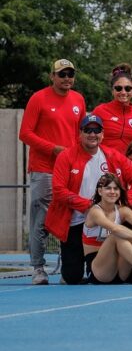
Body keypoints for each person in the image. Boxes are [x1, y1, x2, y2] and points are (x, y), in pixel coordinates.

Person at [45, 114, 132, 285]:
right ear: (80, 133)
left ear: (103, 134)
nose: (93, 134)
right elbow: (58, 190)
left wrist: (121, 202)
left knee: (115, 261)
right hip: (75, 222)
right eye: (88, 130)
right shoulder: (66, 156)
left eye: (97, 130)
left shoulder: (112, 155)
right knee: (72, 278)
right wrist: (91, 206)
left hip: (106, 222)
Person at [20, 58, 87, 284]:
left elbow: (82, 134)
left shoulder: (78, 99)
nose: (66, 78)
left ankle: (68, 267)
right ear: (52, 76)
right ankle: (38, 268)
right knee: (42, 219)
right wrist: (54, 149)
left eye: (70, 74)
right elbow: (25, 134)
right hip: (44, 169)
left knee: (70, 219)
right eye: (62, 74)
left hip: (71, 170)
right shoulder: (38, 98)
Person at [92, 64, 132, 155]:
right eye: (118, 88)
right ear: (112, 91)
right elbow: (88, 140)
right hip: (102, 165)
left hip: (127, 165)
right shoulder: (100, 111)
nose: (123, 92)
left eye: (128, 88)